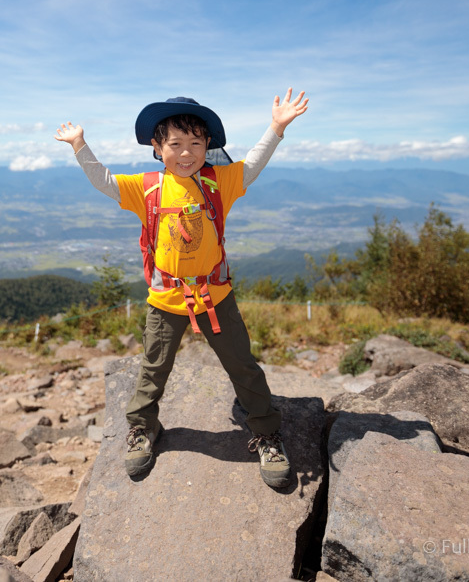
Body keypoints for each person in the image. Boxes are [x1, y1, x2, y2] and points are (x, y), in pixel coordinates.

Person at [54, 89, 310, 488]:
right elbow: (104, 181)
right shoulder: (148, 188)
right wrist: (80, 145)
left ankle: (265, 432)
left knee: (242, 365)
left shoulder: (218, 181)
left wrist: (276, 127)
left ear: (208, 145)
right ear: (157, 148)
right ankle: (142, 429)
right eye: (175, 144)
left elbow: (254, 164)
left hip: (216, 298)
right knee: (154, 369)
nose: (186, 152)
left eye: (195, 143)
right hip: (165, 301)